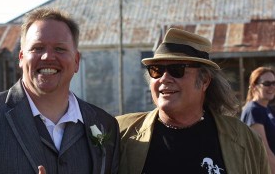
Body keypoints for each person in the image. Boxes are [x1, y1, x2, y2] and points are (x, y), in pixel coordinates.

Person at [0, 7, 120, 174]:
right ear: (21, 58)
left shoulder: (105, 125)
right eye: (38, 47)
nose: (47, 57)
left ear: (76, 61)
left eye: (60, 49)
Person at [116, 28, 271, 174]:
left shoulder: (245, 139)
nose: (164, 78)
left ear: (204, 81)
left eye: (177, 69)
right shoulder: (119, 134)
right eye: (156, 70)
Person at [241, 66, 275, 173]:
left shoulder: (268, 109)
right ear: (254, 86)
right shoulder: (253, 110)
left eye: (274, 83)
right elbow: (264, 152)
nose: (272, 87)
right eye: (267, 83)